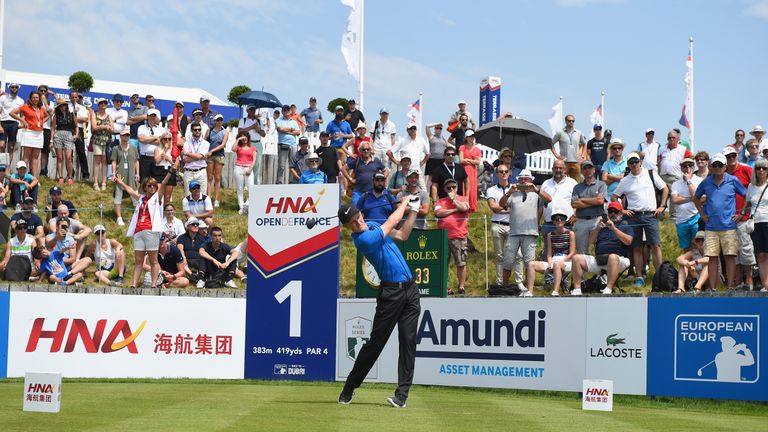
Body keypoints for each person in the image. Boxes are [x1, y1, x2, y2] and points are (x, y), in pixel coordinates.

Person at [337, 196, 420, 408]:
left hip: (410, 289)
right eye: (353, 222)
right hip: (390, 293)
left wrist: (413, 211)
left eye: (358, 217)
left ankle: (401, 396)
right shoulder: (363, 240)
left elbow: (402, 234)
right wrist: (404, 203)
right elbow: (392, 222)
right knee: (376, 343)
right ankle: (350, 387)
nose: (359, 222)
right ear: (348, 228)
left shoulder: (371, 224)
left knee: (408, 342)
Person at [113, 162, 174, 289]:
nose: (152, 187)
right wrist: (120, 182)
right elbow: (130, 190)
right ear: (145, 187)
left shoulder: (157, 197)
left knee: (153, 260)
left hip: (151, 230)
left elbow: (163, 183)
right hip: (139, 231)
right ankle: (134, 284)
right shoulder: (141, 198)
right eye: (149, 185)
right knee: (139, 260)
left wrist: (171, 171)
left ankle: (153, 284)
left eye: (153, 185)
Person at [612, 152, 668, 288]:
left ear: (640, 162)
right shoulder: (625, 180)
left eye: (636, 161)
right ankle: (639, 277)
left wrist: (662, 206)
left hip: (650, 214)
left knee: (655, 245)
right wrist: (623, 210)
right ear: (628, 164)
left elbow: (665, 188)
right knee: (636, 247)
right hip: (634, 216)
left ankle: (659, 275)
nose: (634, 164)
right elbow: (614, 197)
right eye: (631, 162)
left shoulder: (650, 173)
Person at [694, 153, 747, 291]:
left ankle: (730, 286)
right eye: (715, 165)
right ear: (712, 166)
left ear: (725, 167)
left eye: (720, 165)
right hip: (711, 227)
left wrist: (741, 213)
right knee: (712, 258)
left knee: (730, 257)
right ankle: (713, 289)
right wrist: (702, 214)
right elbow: (696, 197)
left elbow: (747, 195)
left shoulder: (733, 180)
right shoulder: (706, 181)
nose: (717, 168)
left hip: (729, 226)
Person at [570, 201, 634, 295]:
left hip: (619, 260)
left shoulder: (626, 226)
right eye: (610, 211)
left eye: (615, 211)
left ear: (621, 213)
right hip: (599, 259)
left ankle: (608, 288)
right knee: (576, 258)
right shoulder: (602, 228)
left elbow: (628, 241)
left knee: (612, 257)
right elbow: (590, 241)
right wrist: (597, 228)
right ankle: (577, 289)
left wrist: (614, 229)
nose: (612, 214)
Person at [498, 169, 540, 296]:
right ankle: (504, 287)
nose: (524, 181)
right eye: (521, 179)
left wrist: (536, 189)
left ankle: (529, 289)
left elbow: (549, 199)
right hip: (514, 232)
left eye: (526, 179)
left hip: (530, 232)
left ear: (531, 180)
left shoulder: (537, 192)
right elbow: (501, 204)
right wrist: (509, 192)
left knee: (530, 262)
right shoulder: (513, 193)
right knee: (508, 260)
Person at [486, 163, 524, 288]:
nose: (503, 174)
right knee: (500, 256)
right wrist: (509, 209)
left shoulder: (516, 189)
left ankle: (519, 282)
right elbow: (493, 208)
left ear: (509, 173)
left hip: (513, 225)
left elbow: (518, 207)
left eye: (505, 171)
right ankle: (500, 282)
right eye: (500, 172)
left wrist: (501, 207)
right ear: (497, 174)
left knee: (518, 255)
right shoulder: (491, 190)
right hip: (497, 225)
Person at [724, 145, 755, 290]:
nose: (731, 159)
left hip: (743, 218)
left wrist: (742, 212)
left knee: (746, 250)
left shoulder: (746, 169)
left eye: (733, 156)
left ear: (737, 155)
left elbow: (752, 192)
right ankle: (737, 282)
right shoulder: (722, 172)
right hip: (727, 220)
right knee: (733, 252)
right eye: (728, 157)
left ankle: (749, 280)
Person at [525, 208, 575, 296]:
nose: (559, 220)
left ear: (565, 221)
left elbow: (572, 253)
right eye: (557, 219)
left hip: (566, 261)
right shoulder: (550, 234)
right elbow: (549, 253)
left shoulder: (570, 233)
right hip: (554, 259)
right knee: (531, 264)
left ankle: (555, 291)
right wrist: (550, 262)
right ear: (553, 222)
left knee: (557, 265)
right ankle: (529, 291)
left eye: (562, 218)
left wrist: (560, 261)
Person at [434, 178, 470, 295]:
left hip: (459, 236)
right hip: (443, 236)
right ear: (444, 189)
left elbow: (464, 208)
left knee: (461, 263)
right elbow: (438, 213)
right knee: (443, 263)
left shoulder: (463, 199)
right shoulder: (440, 202)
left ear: (457, 188)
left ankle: (461, 287)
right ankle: (445, 286)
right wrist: (454, 209)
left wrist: (454, 199)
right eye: (448, 188)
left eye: (453, 187)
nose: (451, 189)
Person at [539, 159, 578, 259]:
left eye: (560, 168)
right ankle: (549, 274)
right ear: (552, 169)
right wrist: (537, 222)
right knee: (548, 253)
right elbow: (541, 205)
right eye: (556, 168)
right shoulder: (545, 184)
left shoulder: (572, 183)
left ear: (565, 169)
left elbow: (578, 202)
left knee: (567, 253)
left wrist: (575, 216)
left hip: (566, 224)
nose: (558, 170)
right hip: (548, 224)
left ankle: (565, 274)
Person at [10, 91, 49, 178]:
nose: (35, 99)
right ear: (30, 99)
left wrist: (42, 121)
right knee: (26, 157)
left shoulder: (41, 108)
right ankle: (22, 177)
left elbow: (48, 115)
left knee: (35, 157)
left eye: (37, 98)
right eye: (34, 97)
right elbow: (12, 113)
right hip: (28, 132)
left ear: (39, 99)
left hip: (39, 134)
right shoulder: (25, 106)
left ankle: (34, 178)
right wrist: (23, 121)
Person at [571, 160, 607, 254]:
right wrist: (594, 201)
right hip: (581, 221)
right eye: (585, 168)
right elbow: (574, 204)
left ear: (594, 170)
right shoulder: (577, 187)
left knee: (600, 248)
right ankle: (583, 269)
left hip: (597, 220)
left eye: (589, 168)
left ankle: (600, 269)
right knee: (581, 252)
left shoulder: (601, 184)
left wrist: (582, 199)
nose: (587, 170)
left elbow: (600, 201)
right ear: (582, 171)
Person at [670, 158, 704, 250]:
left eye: (690, 165)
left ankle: (701, 264)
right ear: (681, 168)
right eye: (685, 166)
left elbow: (697, 197)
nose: (688, 168)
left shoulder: (699, 180)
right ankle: (688, 264)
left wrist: (689, 181)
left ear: (693, 167)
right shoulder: (676, 183)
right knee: (686, 248)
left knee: (699, 245)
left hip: (696, 217)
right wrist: (691, 199)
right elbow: (675, 200)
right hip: (681, 220)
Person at [658, 129, 693, 217]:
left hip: (676, 176)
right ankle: (660, 214)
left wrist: (686, 169)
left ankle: (673, 216)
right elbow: (659, 161)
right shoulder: (662, 148)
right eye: (669, 138)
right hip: (663, 176)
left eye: (674, 138)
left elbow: (692, 156)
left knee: (674, 196)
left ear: (678, 139)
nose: (671, 139)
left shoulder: (682, 149)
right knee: (661, 196)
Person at [747, 159, 768, 292]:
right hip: (756, 223)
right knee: (760, 255)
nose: (761, 170)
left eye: (764, 168)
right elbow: (748, 204)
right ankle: (766, 285)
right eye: (759, 168)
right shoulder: (751, 186)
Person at [111, 129, 139, 226]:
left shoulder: (134, 148)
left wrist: (137, 173)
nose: (126, 137)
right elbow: (114, 161)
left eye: (127, 135)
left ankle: (136, 217)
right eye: (124, 135)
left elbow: (136, 161)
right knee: (118, 196)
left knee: (135, 196)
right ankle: (119, 217)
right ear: (120, 136)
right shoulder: (116, 148)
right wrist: (113, 174)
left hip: (131, 174)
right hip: (120, 174)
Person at [50, 98, 78, 184]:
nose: (63, 107)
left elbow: (76, 126)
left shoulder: (71, 114)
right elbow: (53, 128)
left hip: (69, 135)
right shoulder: (56, 116)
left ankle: (70, 177)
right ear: (58, 107)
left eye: (64, 105)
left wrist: (76, 135)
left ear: (66, 106)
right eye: (61, 105)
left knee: (69, 157)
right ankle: (61, 177)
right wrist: (51, 140)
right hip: (58, 135)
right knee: (59, 157)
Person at [551, 114, 587, 181]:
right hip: (564, 162)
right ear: (566, 121)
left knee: (575, 183)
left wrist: (582, 156)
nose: (571, 122)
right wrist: (556, 155)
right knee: (562, 181)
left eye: (573, 121)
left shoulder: (579, 133)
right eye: (569, 121)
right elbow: (551, 144)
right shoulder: (560, 133)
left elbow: (585, 144)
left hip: (576, 162)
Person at [238, 105, 265, 185]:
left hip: (257, 143)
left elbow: (263, 134)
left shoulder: (259, 121)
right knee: (245, 164)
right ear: (247, 111)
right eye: (250, 109)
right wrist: (252, 127)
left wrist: (258, 130)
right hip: (247, 144)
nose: (252, 111)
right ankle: (244, 186)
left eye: (254, 109)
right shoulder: (243, 120)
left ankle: (256, 185)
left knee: (257, 165)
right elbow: (240, 132)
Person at [90, 98, 114, 190]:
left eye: (105, 103)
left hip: (107, 141)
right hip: (97, 140)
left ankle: (104, 183)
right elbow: (94, 127)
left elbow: (113, 130)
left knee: (104, 162)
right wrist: (105, 126)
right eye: (101, 103)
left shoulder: (109, 117)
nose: (103, 104)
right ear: (98, 105)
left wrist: (107, 128)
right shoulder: (94, 114)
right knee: (97, 161)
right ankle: (95, 182)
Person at [181, 121, 210, 195]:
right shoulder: (186, 143)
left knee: (202, 195)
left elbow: (199, 156)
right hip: (189, 172)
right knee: (188, 196)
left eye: (199, 129)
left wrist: (187, 153)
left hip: (201, 171)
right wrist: (199, 157)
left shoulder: (205, 143)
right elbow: (185, 159)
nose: (197, 131)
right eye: (195, 130)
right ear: (191, 131)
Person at [205, 114, 228, 207]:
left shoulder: (225, 131)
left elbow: (223, 145)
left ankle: (217, 199)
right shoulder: (209, 130)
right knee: (209, 177)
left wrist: (212, 151)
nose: (219, 122)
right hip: (210, 156)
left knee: (217, 178)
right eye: (217, 120)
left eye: (221, 120)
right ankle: (209, 197)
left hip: (219, 155)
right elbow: (205, 141)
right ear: (214, 121)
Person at [232, 131, 257, 213]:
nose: (244, 139)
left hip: (248, 168)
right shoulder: (238, 147)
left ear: (248, 137)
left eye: (245, 137)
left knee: (251, 188)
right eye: (242, 138)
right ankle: (241, 207)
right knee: (240, 188)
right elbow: (233, 149)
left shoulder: (253, 148)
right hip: (238, 168)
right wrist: (238, 139)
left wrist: (250, 169)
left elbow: (254, 160)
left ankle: (247, 205)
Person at [275, 105, 300, 184]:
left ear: (290, 111)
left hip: (293, 145)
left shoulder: (294, 122)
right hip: (282, 144)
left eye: (287, 110)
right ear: (282, 111)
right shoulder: (278, 120)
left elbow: (298, 132)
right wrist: (292, 130)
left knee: (293, 165)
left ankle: (292, 182)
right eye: (284, 110)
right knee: (281, 165)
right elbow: (280, 129)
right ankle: (279, 182)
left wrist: (286, 130)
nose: (286, 111)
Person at [458, 129, 482, 213]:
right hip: (463, 170)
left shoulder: (477, 149)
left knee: (472, 189)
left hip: (472, 171)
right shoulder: (462, 147)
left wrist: (467, 160)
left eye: (473, 136)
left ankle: (472, 207)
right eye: (470, 137)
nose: (472, 138)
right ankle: (463, 205)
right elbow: (461, 160)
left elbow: (478, 162)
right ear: (466, 138)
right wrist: (472, 161)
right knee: (463, 187)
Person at [137, 108, 164, 181]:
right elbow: (141, 139)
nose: (152, 118)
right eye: (151, 116)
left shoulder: (161, 129)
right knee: (144, 181)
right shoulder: (141, 127)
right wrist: (155, 137)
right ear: (147, 117)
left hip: (156, 158)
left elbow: (161, 141)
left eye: (154, 116)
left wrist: (147, 139)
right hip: (145, 157)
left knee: (156, 180)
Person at [0, 83, 24, 162]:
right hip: (3, 123)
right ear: (9, 88)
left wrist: (22, 124)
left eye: (16, 87)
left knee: (11, 147)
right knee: (1, 145)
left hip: (14, 124)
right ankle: (1, 168)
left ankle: (7, 169)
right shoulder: (3, 98)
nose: (14, 88)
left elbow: (22, 115)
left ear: (18, 88)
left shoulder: (21, 101)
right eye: (12, 87)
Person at [153, 131, 177, 204]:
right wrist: (164, 150)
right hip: (160, 171)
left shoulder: (174, 150)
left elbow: (176, 165)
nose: (167, 140)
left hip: (170, 170)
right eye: (165, 139)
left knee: (167, 197)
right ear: (162, 140)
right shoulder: (157, 149)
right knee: (158, 195)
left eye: (169, 139)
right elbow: (157, 161)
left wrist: (168, 159)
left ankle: (166, 213)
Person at [424, 122, 448, 190]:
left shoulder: (443, 138)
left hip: (442, 160)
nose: (439, 129)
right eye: (437, 128)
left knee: (442, 176)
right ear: (434, 129)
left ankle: (441, 192)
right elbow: (427, 126)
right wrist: (437, 123)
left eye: (440, 128)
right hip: (432, 159)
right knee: (430, 178)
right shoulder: (431, 136)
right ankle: (427, 193)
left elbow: (448, 145)